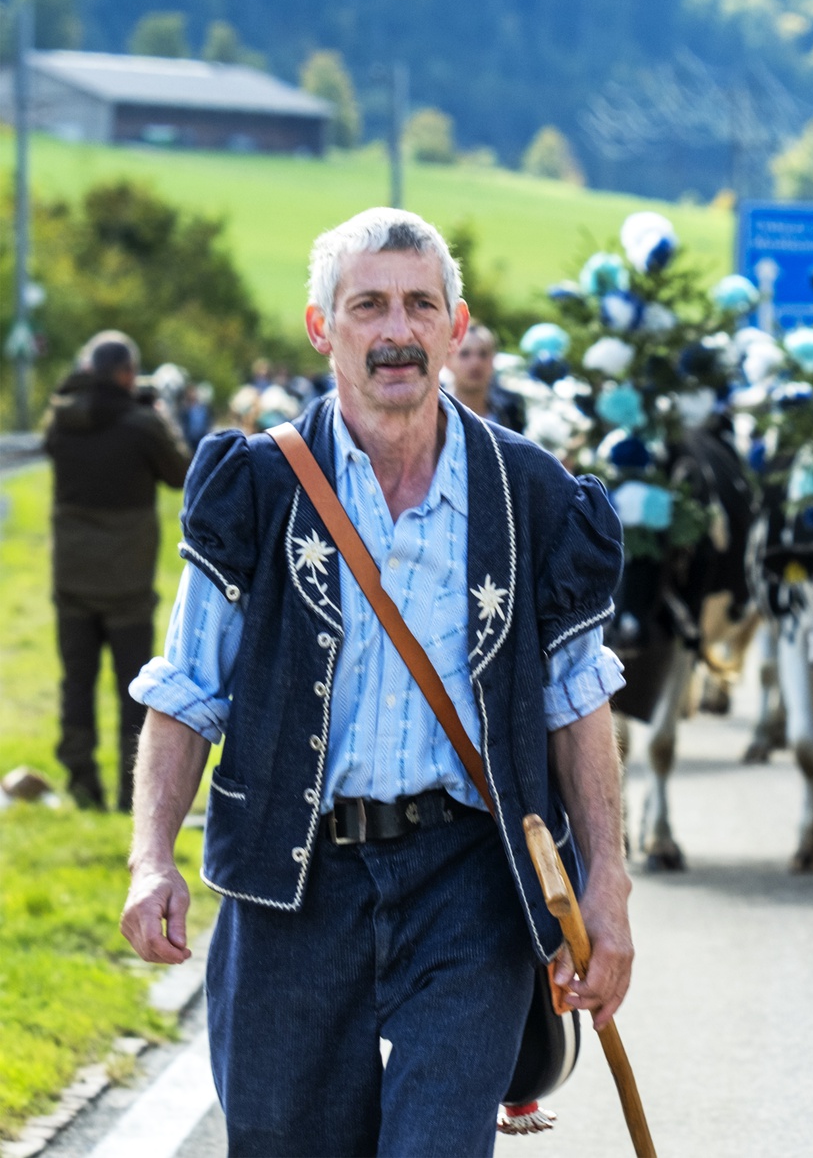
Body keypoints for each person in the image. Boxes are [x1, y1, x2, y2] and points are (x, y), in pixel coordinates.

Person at [121, 208, 635, 1156]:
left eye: (418, 305)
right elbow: (187, 687)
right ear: (323, 327)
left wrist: (607, 882)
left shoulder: (534, 495)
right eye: (368, 305)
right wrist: (152, 856)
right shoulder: (258, 486)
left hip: (467, 882)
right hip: (293, 882)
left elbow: (576, 699)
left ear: (454, 322)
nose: (395, 330)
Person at [42, 331, 191, 810]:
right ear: (128, 373)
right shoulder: (143, 425)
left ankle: (83, 785)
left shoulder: (61, 421)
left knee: (76, 683)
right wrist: (161, 417)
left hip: (72, 579)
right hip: (126, 583)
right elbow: (181, 474)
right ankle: (134, 792)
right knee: (135, 687)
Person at [449, 322, 528, 432]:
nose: (476, 363)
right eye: (465, 354)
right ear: (447, 361)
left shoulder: (511, 409)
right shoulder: (434, 409)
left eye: (483, 354)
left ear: (493, 359)